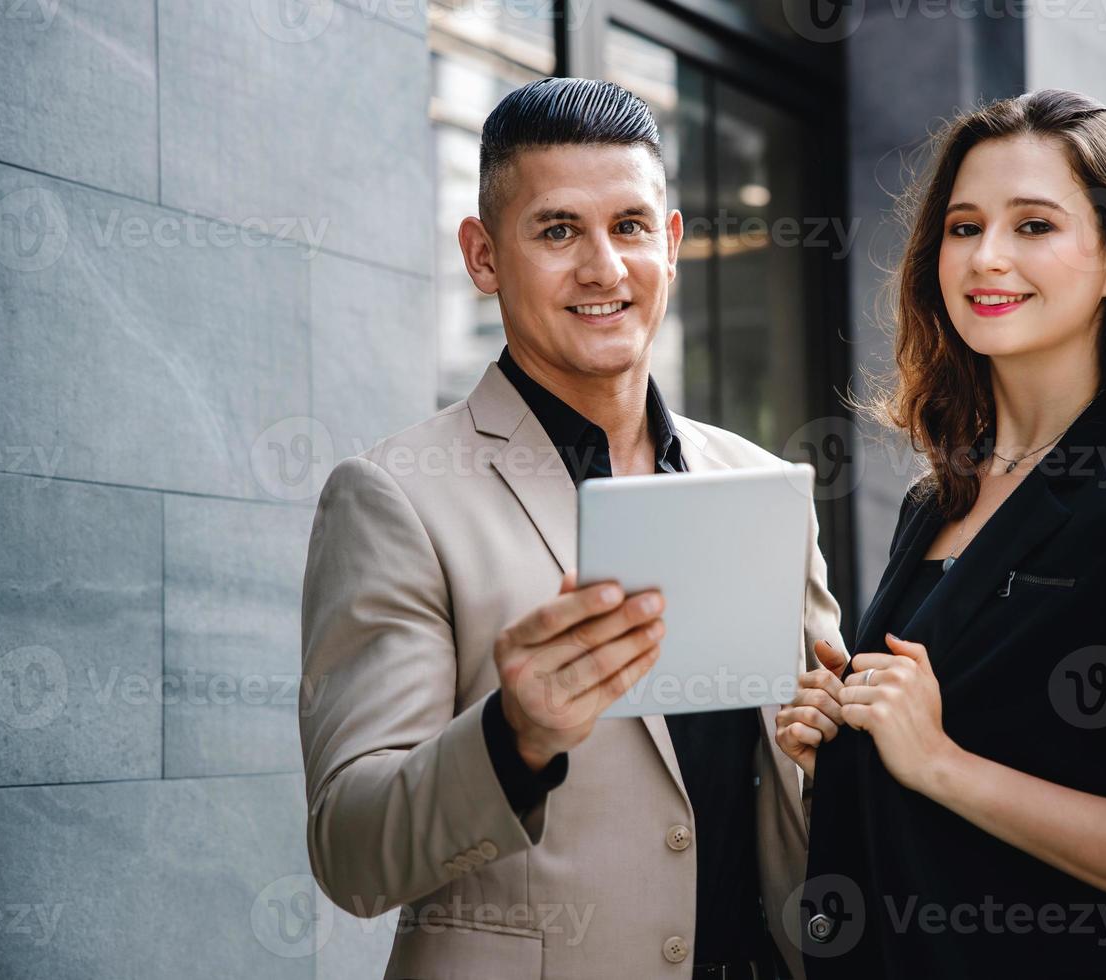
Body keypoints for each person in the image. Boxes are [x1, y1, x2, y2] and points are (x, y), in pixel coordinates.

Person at [300, 77, 841, 979]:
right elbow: (351, 852)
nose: (602, 267)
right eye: (557, 231)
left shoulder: (757, 481)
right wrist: (513, 736)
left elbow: (811, 789)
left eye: (629, 227)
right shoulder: (394, 497)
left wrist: (834, 747)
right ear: (482, 257)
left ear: (669, 247)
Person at [775, 89, 1106, 978]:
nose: (988, 258)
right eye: (964, 226)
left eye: (1035, 226)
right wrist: (847, 735)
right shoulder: (936, 503)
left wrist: (938, 761)